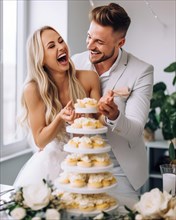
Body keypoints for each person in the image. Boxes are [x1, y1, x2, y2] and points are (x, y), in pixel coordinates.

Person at [72, 3, 154, 202]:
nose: (90, 45)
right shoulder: (75, 63)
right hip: (79, 165)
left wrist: (115, 116)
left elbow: (135, 131)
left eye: (99, 42)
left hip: (120, 170)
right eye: (89, 36)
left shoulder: (142, 71)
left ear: (121, 42)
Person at [14, 25, 101, 187]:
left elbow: (100, 122)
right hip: (50, 168)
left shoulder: (89, 78)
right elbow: (40, 141)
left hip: (85, 164)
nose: (61, 47)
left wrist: (106, 107)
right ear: (41, 58)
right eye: (52, 46)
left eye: (61, 41)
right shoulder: (33, 89)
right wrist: (60, 118)